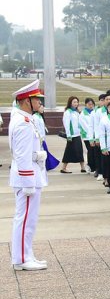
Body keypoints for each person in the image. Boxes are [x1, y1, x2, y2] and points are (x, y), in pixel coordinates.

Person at [9, 80, 50, 271]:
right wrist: (28, 182)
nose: (39, 102)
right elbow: (22, 155)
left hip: (30, 174)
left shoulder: (24, 118)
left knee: (29, 219)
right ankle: (22, 258)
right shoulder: (23, 122)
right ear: (27, 101)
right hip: (27, 176)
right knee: (25, 218)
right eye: (36, 99)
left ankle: (26, 254)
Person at [59, 96, 87, 173]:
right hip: (71, 136)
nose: (76, 103)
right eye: (74, 102)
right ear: (70, 103)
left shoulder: (76, 112)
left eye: (77, 102)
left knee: (79, 151)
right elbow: (66, 124)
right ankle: (64, 168)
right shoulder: (68, 112)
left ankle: (83, 167)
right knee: (69, 152)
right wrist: (68, 135)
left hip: (78, 134)